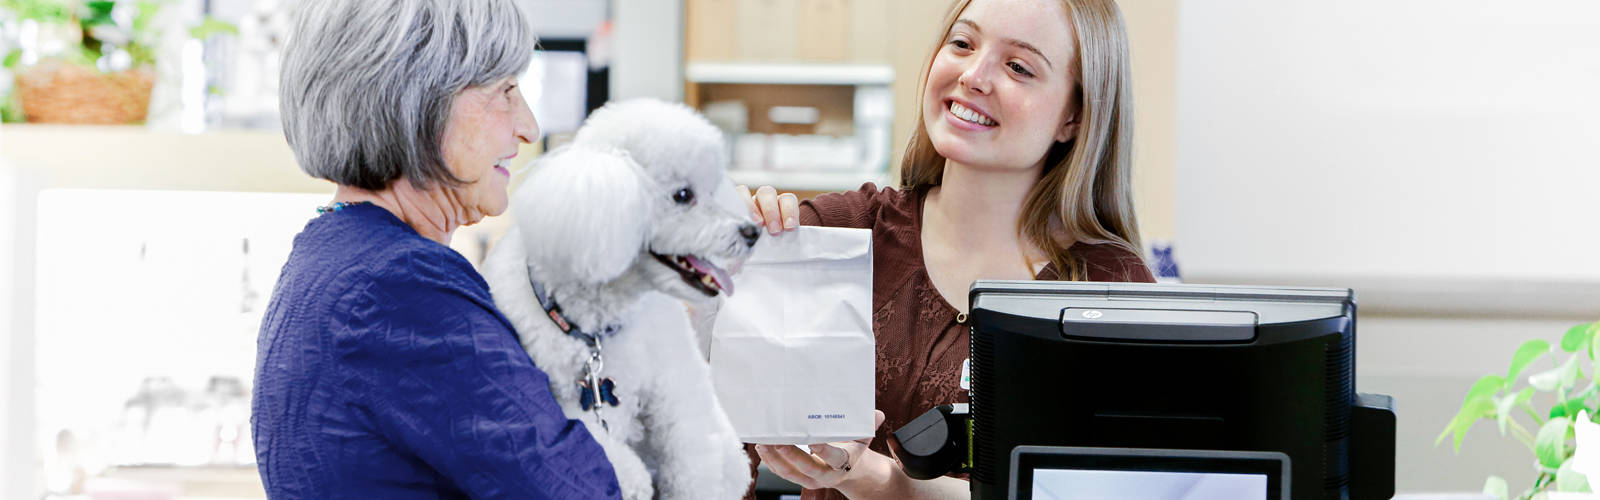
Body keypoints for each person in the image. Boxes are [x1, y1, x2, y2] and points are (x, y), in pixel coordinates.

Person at [742, 0, 1153, 498]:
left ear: (1074, 115)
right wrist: (726, 245)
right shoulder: (844, 234)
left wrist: (884, 483)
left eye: (1018, 67)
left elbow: (1098, 491)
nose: (974, 76)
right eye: (962, 43)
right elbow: (703, 413)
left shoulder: (1111, 290)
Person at [251, 0, 621, 498]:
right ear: (418, 99)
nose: (528, 127)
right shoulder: (403, 286)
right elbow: (577, 490)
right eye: (505, 91)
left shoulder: (333, 255)